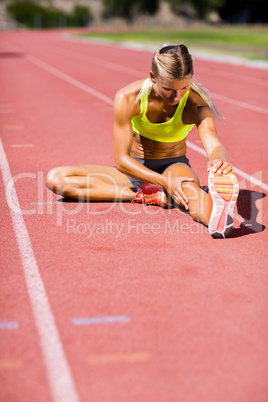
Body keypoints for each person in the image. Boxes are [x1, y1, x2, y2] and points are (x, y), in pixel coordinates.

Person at [46, 44, 239, 238]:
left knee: (189, 189)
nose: (176, 97)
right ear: (152, 77)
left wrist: (218, 158)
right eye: (169, 89)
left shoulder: (196, 105)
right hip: (133, 170)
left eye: (184, 87)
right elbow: (121, 160)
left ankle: (216, 221)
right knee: (56, 179)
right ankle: (149, 195)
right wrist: (162, 183)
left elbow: (214, 145)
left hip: (173, 167)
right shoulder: (129, 98)